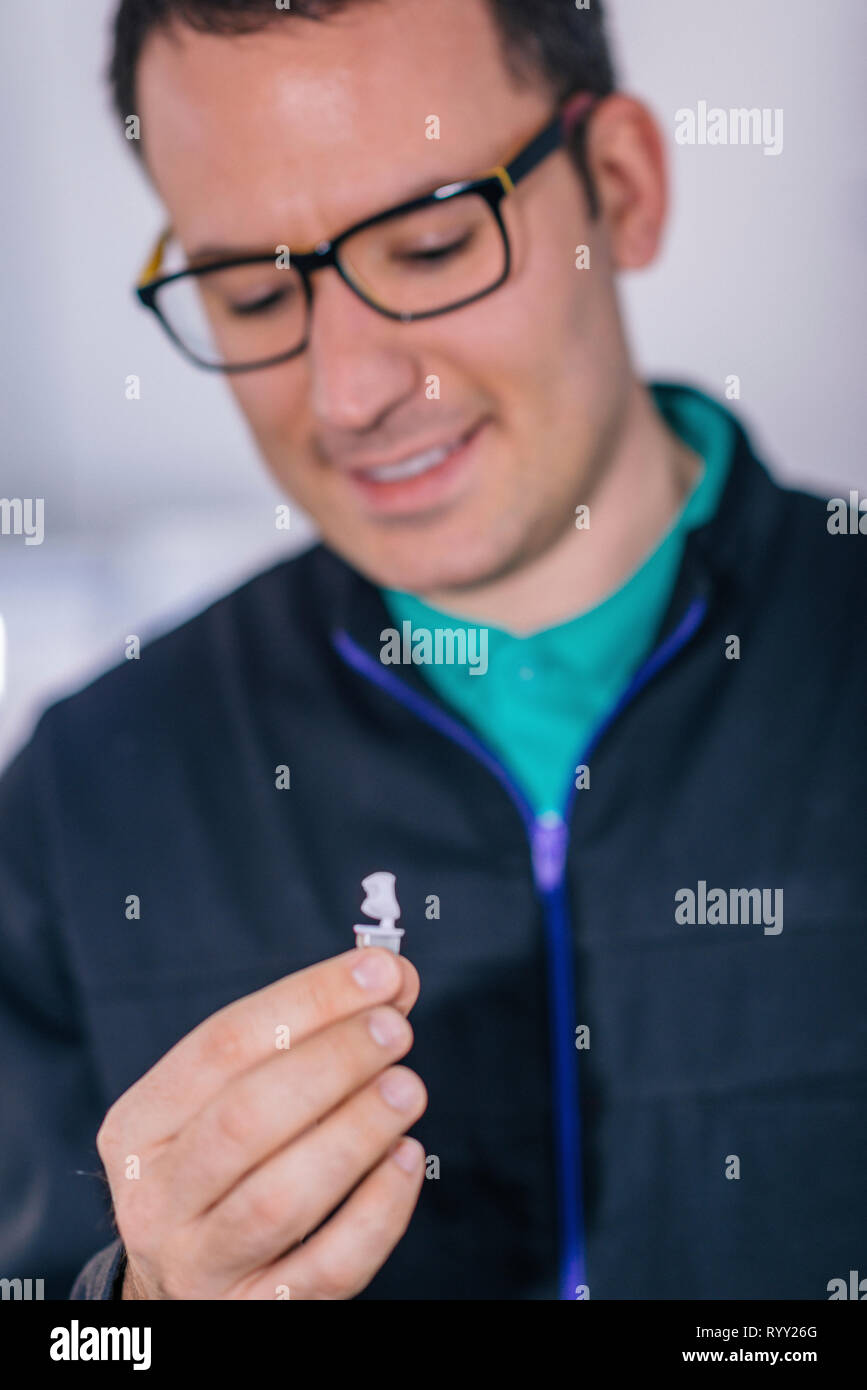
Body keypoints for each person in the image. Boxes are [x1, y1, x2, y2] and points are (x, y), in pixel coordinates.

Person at [1, 0, 864, 1302]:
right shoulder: (85, 796)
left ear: (620, 187)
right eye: (249, 290)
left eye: (429, 244)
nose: (348, 393)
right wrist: (136, 1316)